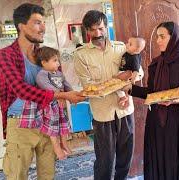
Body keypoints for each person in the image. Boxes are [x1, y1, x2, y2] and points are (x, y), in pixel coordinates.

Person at [0, 3, 85, 180]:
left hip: (46, 121)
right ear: (21, 26)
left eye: (43, 22)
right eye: (37, 22)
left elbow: (59, 81)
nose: (43, 27)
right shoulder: (3, 55)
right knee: (16, 175)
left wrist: (76, 93)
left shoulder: (45, 55)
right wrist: (64, 96)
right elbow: (21, 90)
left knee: (48, 174)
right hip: (20, 124)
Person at [128, 21, 179, 180]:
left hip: (178, 120)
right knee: (159, 157)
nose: (158, 41)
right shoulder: (155, 64)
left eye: (162, 37)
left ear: (174, 37)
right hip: (156, 120)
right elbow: (151, 93)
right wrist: (129, 89)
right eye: (157, 37)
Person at [73, 10, 140, 180]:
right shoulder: (81, 55)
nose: (98, 33)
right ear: (87, 31)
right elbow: (89, 86)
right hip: (102, 114)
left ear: (106, 26)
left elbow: (138, 72)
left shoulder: (122, 47)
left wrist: (127, 87)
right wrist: (116, 82)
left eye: (101, 28)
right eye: (93, 30)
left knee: (126, 155)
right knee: (105, 159)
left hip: (125, 110)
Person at [35, 46, 72, 160]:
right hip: (50, 106)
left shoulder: (59, 74)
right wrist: (61, 95)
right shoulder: (42, 74)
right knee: (53, 128)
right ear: (44, 62)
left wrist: (71, 95)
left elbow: (66, 84)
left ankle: (64, 144)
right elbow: (47, 87)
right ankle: (57, 148)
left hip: (61, 105)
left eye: (58, 60)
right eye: (55, 60)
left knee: (63, 125)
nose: (58, 63)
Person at [117, 37, 145, 108]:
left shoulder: (134, 57)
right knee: (121, 87)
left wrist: (132, 80)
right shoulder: (128, 52)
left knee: (116, 80)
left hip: (128, 73)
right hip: (124, 72)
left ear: (136, 50)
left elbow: (135, 71)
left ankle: (124, 97)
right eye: (128, 42)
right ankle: (125, 98)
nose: (126, 44)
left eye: (130, 44)